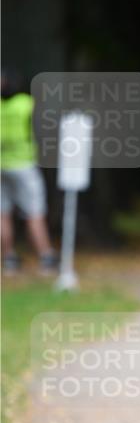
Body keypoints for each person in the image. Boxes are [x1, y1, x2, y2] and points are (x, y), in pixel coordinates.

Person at [1, 69, 58, 276]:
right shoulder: (26, 103)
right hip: (24, 164)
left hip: (2, 164)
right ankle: (46, 257)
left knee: (3, 214)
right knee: (35, 213)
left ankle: (8, 258)